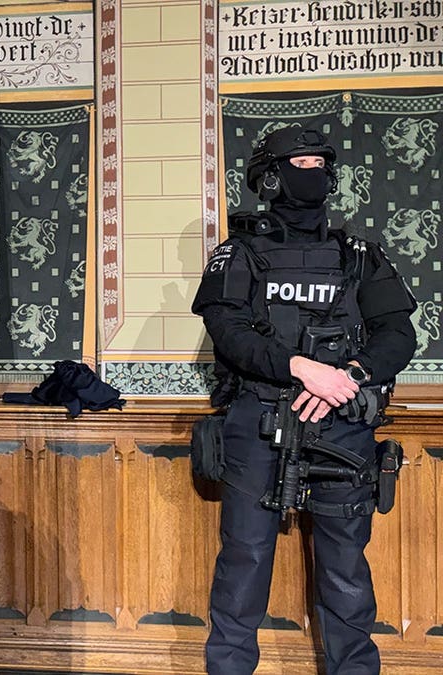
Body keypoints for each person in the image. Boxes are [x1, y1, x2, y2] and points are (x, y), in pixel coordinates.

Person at [191, 127, 417, 674]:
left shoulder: (358, 255)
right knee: (244, 562)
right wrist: (301, 368)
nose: (310, 171)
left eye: (319, 162)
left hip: (341, 420)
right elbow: (230, 331)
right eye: (299, 162)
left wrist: (350, 375)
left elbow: (398, 334)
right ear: (270, 177)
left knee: (345, 566)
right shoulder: (237, 253)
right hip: (259, 419)